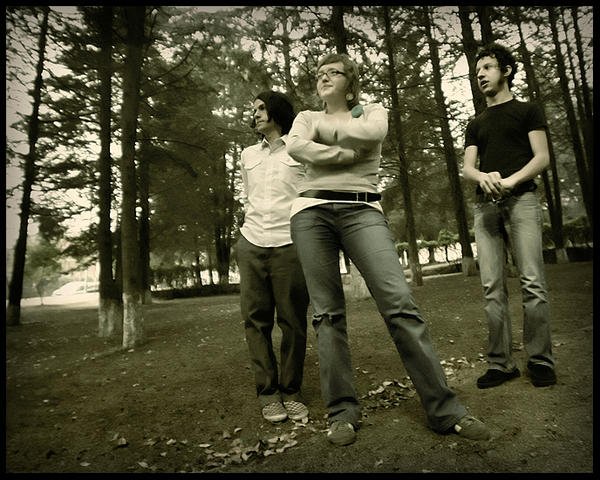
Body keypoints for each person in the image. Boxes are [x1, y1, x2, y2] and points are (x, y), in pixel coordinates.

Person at [286, 53, 490, 446]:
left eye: (333, 72)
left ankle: (445, 410)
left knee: (400, 304)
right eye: (319, 74)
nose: (323, 78)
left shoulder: (373, 110)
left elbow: (373, 133)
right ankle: (342, 412)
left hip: (362, 210)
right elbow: (296, 147)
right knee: (327, 315)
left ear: (351, 83)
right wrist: (346, 151)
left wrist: (324, 142)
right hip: (310, 211)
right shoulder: (305, 117)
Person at [462, 43, 557, 390]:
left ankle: (540, 361)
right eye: (477, 72)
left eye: (487, 68)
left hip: (523, 201)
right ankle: (501, 364)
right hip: (485, 207)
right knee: (492, 288)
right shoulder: (476, 123)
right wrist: (484, 177)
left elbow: (541, 157)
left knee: (532, 282)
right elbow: (468, 168)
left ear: (506, 70)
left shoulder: (527, 111)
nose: (481, 76)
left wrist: (511, 180)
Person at [237, 90, 310, 424]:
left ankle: (291, 392)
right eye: (253, 109)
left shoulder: (300, 149)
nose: (255, 114)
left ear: (277, 111)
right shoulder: (247, 154)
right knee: (255, 320)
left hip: (289, 244)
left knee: (292, 321)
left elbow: (310, 194)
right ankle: (268, 394)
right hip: (251, 242)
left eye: (261, 108)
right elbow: (247, 195)